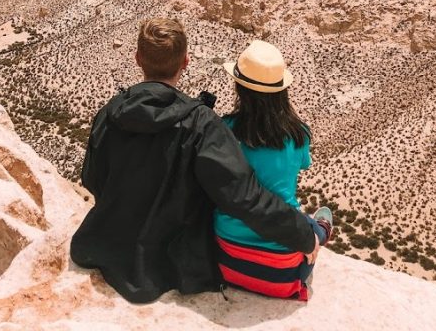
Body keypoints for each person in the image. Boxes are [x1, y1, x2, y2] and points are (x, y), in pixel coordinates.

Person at [70, 18, 319, 304]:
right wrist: (301, 232)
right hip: (167, 258)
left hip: (104, 240)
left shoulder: (110, 112)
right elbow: (242, 196)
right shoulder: (201, 124)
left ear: (138, 59)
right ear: (186, 61)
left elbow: (91, 177)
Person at [214, 39, 333, 301]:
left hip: (226, 258)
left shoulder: (223, 130)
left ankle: (318, 227)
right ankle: (322, 230)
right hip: (282, 271)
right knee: (300, 214)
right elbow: (299, 168)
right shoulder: (298, 134)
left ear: (239, 88)